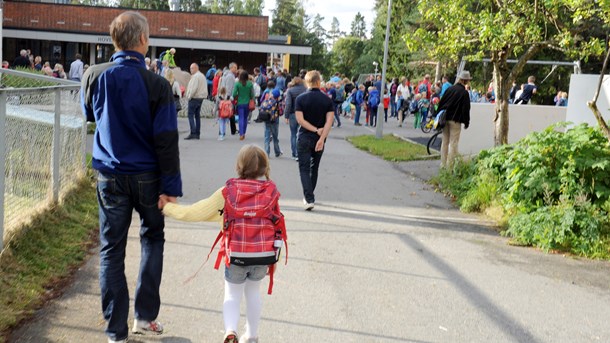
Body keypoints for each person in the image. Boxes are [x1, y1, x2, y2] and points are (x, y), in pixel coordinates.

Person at [81, 11, 182, 343]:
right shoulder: (158, 84)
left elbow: (89, 115)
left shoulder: (94, 76)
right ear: (142, 40)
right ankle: (144, 316)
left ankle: (115, 331)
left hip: (110, 175)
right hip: (148, 176)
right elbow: (166, 139)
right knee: (152, 238)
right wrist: (170, 187)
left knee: (111, 249)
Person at [161, 144, 282, 343]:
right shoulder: (271, 192)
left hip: (236, 255)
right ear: (265, 168)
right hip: (262, 255)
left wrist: (168, 208)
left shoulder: (228, 192)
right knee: (253, 293)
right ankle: (251, 336)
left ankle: (230, 332)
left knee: (232, 295)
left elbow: (196, 212)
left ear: (239, 166)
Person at [295, 70, 334, 210]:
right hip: (320, 138)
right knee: (314, 167)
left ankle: (309, 198)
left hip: (304, 137)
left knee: (304, 168)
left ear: (307, 82)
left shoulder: (300, 99)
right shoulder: (327, 100)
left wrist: (314, 129)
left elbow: (300, 120)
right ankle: (309, 195)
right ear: (319, 82)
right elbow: (329, 122)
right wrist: (321, 137)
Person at [436, 70, 471, 169]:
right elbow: (466, 109)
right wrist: (466, 122)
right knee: (453, 143)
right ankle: (449, 166)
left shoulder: (450, 89)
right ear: (466, 81)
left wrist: (438, 117)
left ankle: (442, 164)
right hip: (455, 120)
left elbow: (441, 103)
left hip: (445, 118)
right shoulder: (464, 93)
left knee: (445, 141)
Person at [284, 76, 307, 161]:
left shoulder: (290, 90)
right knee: (301, 134)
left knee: (293, 134)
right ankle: (301, 152)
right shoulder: (306, 90)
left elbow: (288, 104)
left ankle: (294, 153)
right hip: (304, 114)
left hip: (293, 114)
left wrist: (286, 116)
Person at [184, 62, 208, 140]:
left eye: (192, 68)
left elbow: (193, 88)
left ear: (196, 68)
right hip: (200, 98)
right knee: (197, 116)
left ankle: (193, 132)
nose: (190, 70)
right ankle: (197, 133)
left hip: (194, 97)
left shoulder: (195, 77)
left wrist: (189, 96)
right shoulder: (202, 76)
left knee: (190, 115)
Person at [232, 70, 254, 140]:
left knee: (241, 118)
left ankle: (241, 134)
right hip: (247, 103)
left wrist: (237, 97)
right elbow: (252, 94)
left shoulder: (237, 84)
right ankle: (243, 132)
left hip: (240, 103)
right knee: (245, 118)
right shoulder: (250, 84)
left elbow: (234, 94)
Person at [261, 89, 283, 157]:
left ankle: (267, 153)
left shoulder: (266, 100)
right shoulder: (277, 102)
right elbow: (281, 112)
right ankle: (277, 151)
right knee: (275, 136)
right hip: (274, 120)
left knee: (267, 136)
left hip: (266, 119)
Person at [220, 62, 239, 135]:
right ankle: (232, 130)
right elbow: (229, 88)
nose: (236, 69)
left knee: (226, 114)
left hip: (223, 96)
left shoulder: (225, 75)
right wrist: (229, 97)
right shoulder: (231, 76)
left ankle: (224, 130)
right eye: (235, 68)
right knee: (230, 113)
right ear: (231, 68)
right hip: (228, 98)